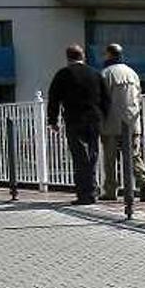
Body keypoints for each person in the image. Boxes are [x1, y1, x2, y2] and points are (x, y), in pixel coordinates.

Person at [47, 44, 108, 205]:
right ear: (83, 57)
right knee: (93, 156)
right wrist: (104, 117)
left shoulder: (63, 74)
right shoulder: (95, 74)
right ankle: (92, 189)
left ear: (68, 58)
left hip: (74, 120)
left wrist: (52, 121)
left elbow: (54, 98)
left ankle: (84, 193)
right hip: (94, 120)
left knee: (79, 157)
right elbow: (106, 98)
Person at [100, 43, 145, 202]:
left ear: (109, 55)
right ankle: (144, 181)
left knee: (110, 159)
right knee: (134, 155)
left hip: (111, 123)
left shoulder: (106, 74)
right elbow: (139, 97)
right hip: (132, 122)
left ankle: (111, 190)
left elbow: (102, 99)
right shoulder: (132, 73)